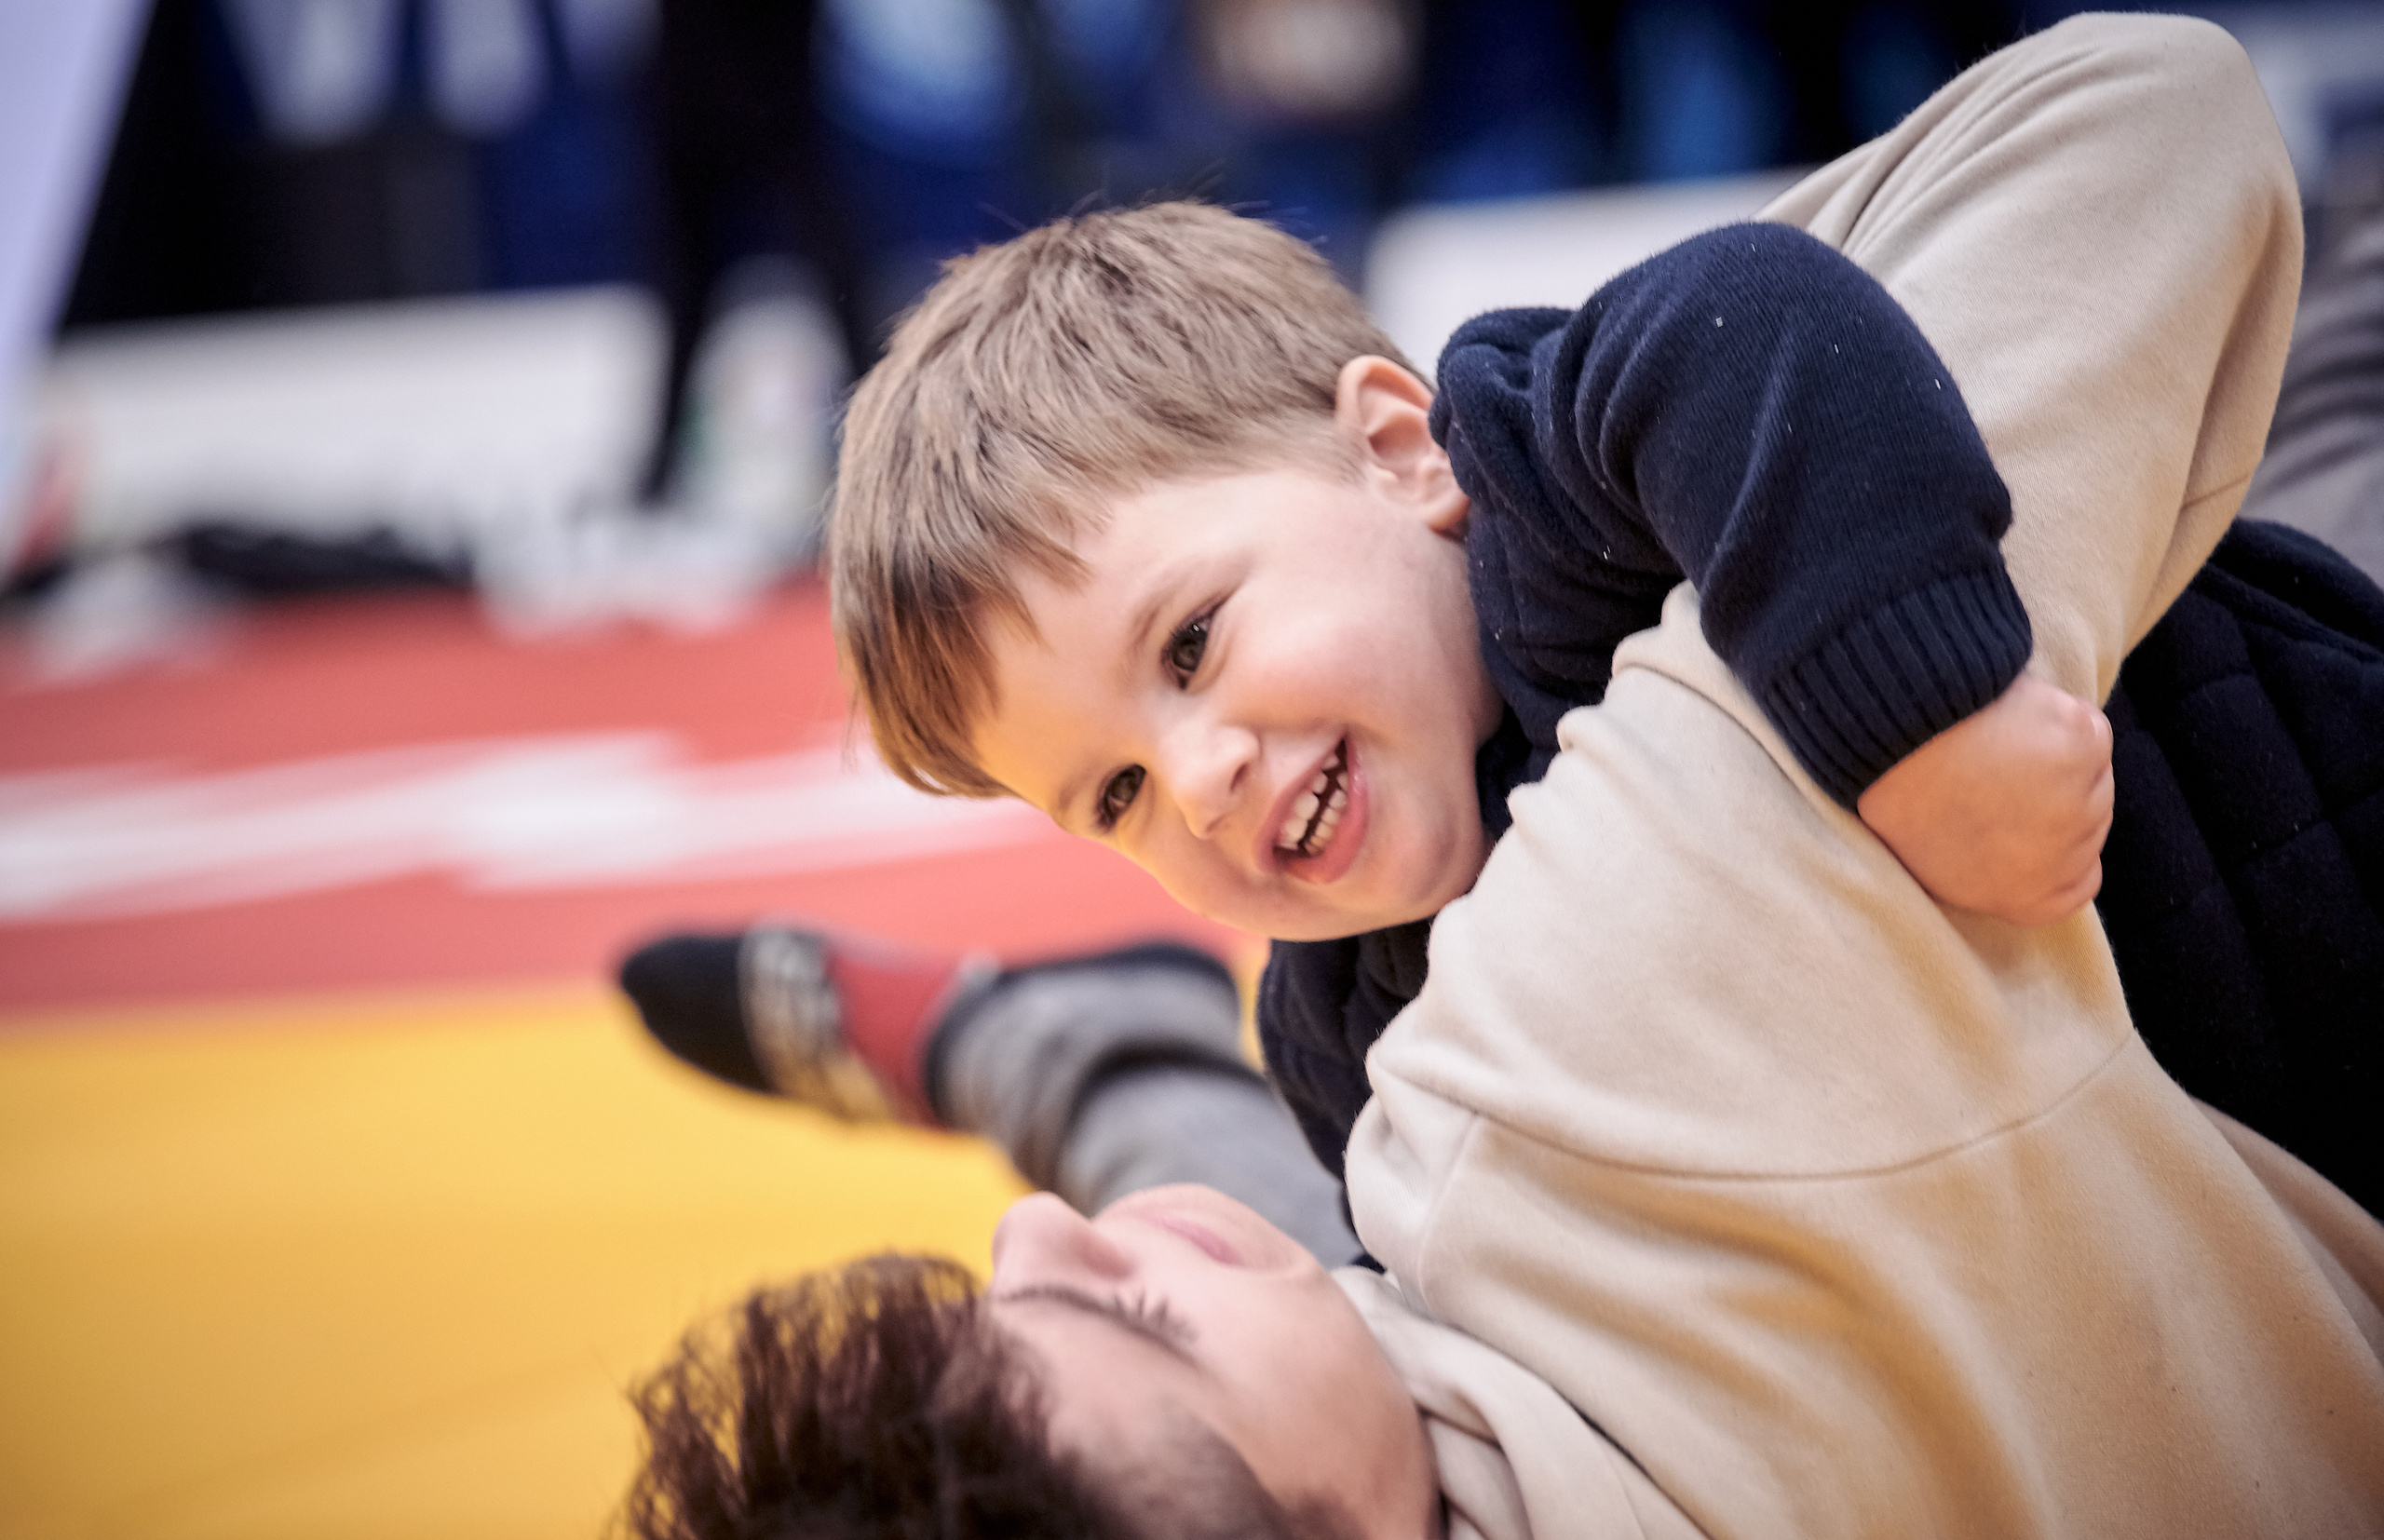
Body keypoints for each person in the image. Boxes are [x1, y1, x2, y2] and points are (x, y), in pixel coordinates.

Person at [618, 16, 2384, 1539]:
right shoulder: (1526, 957)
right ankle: (1059, 1043)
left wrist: (1916, 697)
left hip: (2229, 707)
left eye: (1190, 648)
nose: (1197, 781)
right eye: (1114, 800)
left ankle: (1039, 1041)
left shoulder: (1560, 483)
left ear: (1403, 450)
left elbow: (2008, 184)